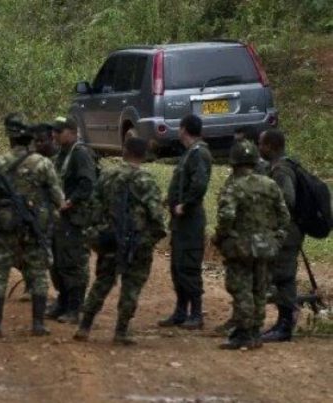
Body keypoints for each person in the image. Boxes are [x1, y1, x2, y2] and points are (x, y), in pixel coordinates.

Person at [0, 113, 65, 338]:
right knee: (38, 273)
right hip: (34, 227)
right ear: (31, 139)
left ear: (10, 138)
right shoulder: (43, 164)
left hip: (4, 227)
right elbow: (58, 198)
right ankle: (38, 324)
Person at [73, 137, 166, 345]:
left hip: (109, 238)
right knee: (131, 287)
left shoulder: (108, 175)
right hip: (136, 242)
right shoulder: (146, 181)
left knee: (102, 282)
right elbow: (157, 217)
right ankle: (121, 331)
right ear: (144, 155)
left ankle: (84, 326)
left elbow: (93, 207)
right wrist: (150, 239)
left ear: (124, 151)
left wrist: (97, 233)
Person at [213, 141, 289, 349]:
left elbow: (226, 217)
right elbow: (284, 216)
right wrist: (277, 238)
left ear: (234, 163)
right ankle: (255, 332)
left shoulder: (234, 186)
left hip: (241, 247)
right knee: (259, 288)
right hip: (266, 246)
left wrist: (221, 237)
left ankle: (244, 332)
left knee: (241, 288)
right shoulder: (270, 184)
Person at [159, 114, 212, 330]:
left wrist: (185, 204)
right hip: (180, 222)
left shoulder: (199, 153)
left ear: (184, 129)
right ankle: (181, 311)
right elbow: (184, 182)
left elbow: (199, 184)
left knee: (189, 266)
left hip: (190, 220)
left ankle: (196, 313)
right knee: (178, 266)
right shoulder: (190, 153)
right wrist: (170, 200)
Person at [46, 116, 98, 324]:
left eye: (59, 132)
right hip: (60, 218)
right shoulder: (61, 154)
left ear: (72, 132)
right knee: (57, 262)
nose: (54, 135)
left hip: (75, 219)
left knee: (73, 262)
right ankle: (63, 301)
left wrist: (70, 201)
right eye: (54, 131)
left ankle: (74, 307)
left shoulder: (80, 154)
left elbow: (88, 184)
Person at [258, 128, 304, 343]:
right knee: (280, 275)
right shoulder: (279, 167)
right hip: (286, 231)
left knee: (283, 276)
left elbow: (288, 199)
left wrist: (271, 214)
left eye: (261, 144)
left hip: (287, 232)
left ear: (271, 146)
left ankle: (285, 325)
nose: (259, 148)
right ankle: (282, 322)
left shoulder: (281, 171)